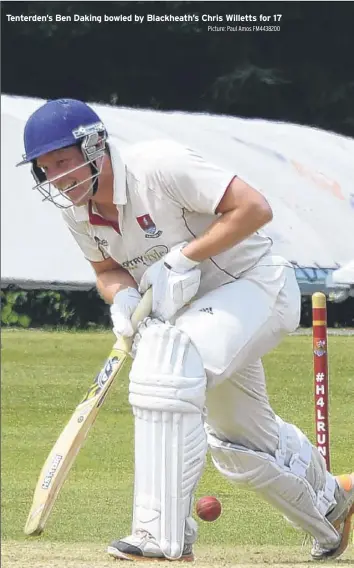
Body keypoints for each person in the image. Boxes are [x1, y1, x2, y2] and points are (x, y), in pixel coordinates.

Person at [18, 98, 354, 562]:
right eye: (44, 169)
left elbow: (255, 208)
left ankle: (160, 535)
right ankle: (331, 505)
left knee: (166, 361)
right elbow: (107, 269)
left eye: (62, 162)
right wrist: (122, 298)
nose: (56, 177)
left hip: (256, 287)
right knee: (239, 446)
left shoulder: (158, 167)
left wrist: (183, 256)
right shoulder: (76, 211)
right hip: (196, 317)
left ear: (94, 147)